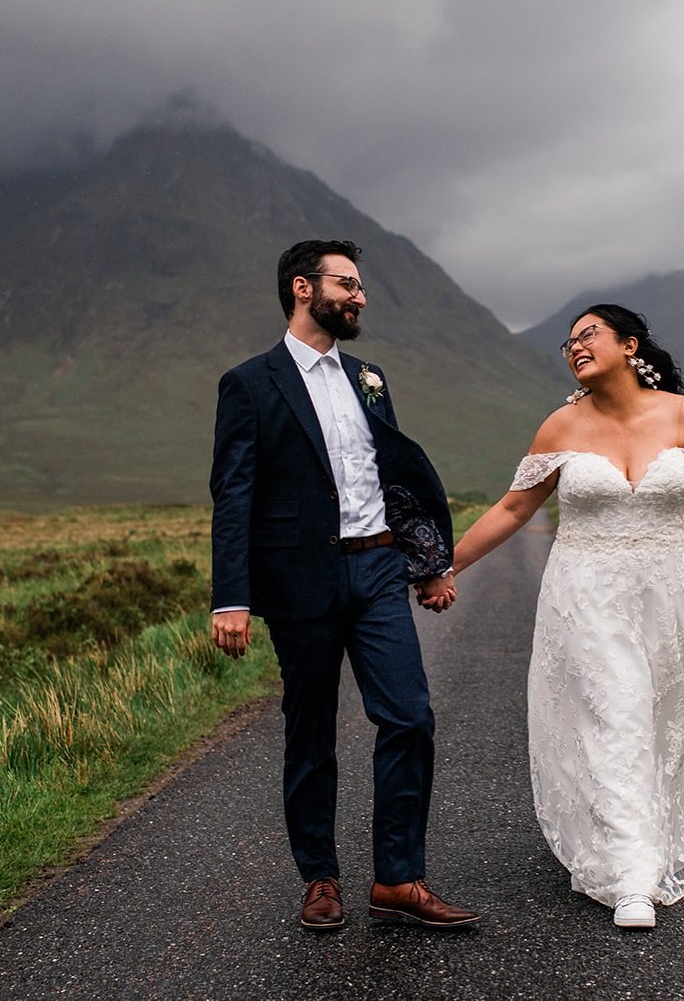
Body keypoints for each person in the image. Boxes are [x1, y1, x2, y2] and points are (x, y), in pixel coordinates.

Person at [452, 304, 684, 929]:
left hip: (676, 592)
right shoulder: (560, 426)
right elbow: (514, 510)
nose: (574, 347)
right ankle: (631, 876)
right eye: (567, 343)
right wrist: (445, 565)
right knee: (616, 713)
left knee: (668, 716)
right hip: (588, 593)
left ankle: (668, 821)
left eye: (587, 335)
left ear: (630, 344)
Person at [209, 239, 478, 932]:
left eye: (360, 287)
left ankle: (397, 877)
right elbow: (233, 494)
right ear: (303, 288)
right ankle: (319, 877)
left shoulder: (370, 377)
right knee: (311, 731)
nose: (359, 297)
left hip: (378, 569)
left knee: (409, 715)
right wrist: (230, 596)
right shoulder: (250, 382)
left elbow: (392, 477)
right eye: (347, 284)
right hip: (298, 578)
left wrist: (427, 563)